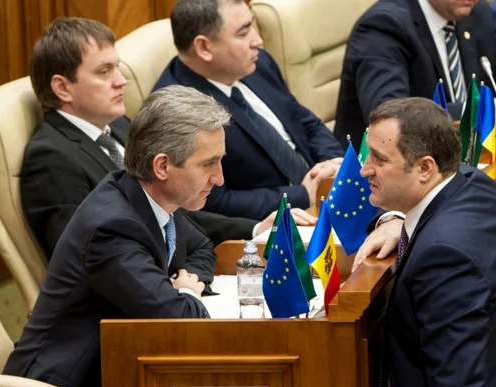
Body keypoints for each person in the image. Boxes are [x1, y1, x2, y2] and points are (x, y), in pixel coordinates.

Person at [0, 85, 231, 387]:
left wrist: (180, 287)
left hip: (118, 385)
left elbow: (201, 248)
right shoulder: (112, 227)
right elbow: (180, 320)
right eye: (208, 164)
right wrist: (182, 292)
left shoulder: (151, 199)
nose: (220, 178)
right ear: (163, 165)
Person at [20, 17, 310, 255]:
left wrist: (254, 229)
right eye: (104, 72)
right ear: (62, 88)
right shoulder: (51, 158)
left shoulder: (119, 125)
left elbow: (174, 210)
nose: (121, 81)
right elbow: (87, 252)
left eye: (117, 68)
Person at [359, 97, 496, 387]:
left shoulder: (443, 256)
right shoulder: (475, 186)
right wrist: (399, 221)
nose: (365, 169)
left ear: (425, 168)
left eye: (379, 160)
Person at [153, 0, 344, 220]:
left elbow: (304, 121)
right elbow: (212, 202)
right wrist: (302, 195)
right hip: (275, 225)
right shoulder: (178, 110)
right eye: (243, 33)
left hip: (325, 197)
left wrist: (332, 165)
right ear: (204, 47)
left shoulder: (257, 63)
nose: (258, 41)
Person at [334, 0, 496, 148]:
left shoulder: (476, 13)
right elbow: (388, 114)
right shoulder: (383, 26)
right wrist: (478, 110)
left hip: (460, 157)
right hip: (383, 178)